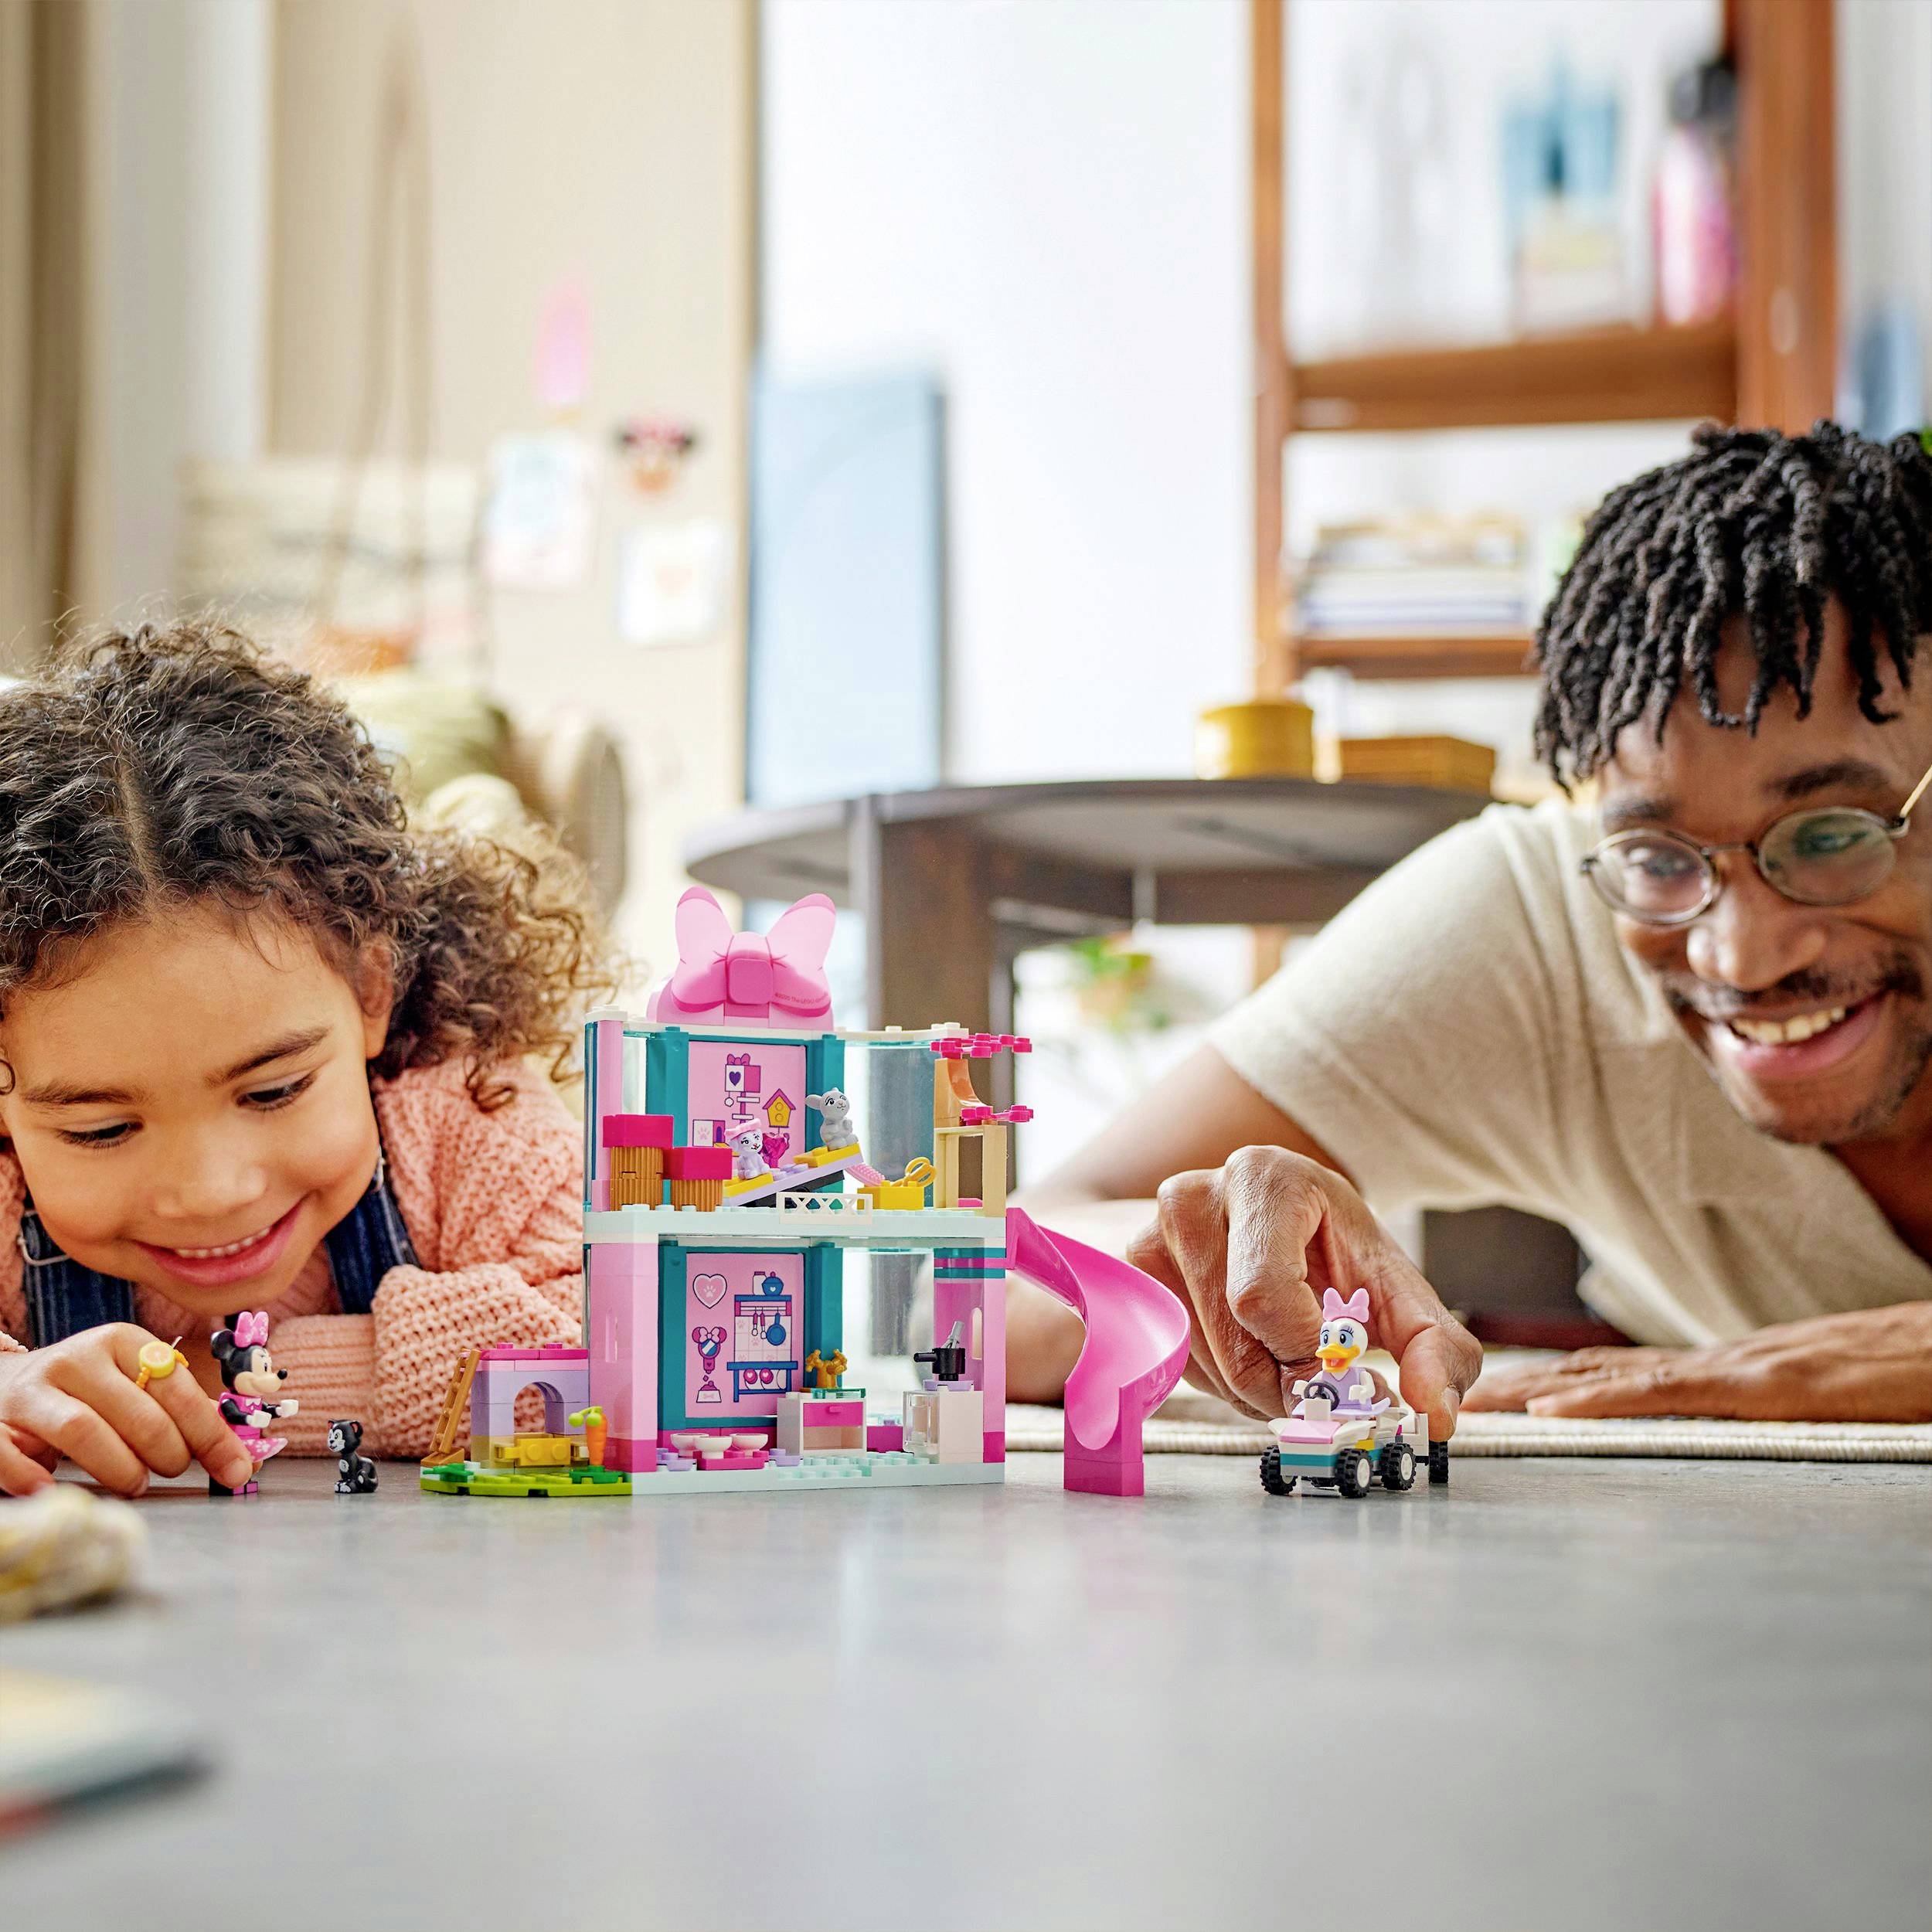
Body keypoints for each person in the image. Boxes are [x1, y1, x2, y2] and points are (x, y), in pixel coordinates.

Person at [1012, 423, 1932, 1431]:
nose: (1740, 955)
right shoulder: (1540, 927)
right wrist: (1193, 1245)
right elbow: (988, 1286)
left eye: (1835, 836)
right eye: (1663, 859)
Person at [0, 625, 615, 1496]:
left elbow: (613, 1344)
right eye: (101, 1129)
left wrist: (236, 1383)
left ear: (370, 990)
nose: (212, 1189)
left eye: (274, 1089)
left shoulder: (473, 1119)